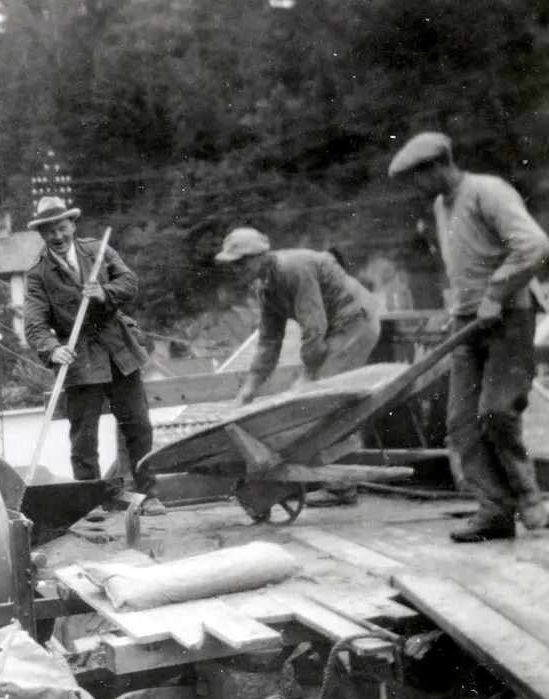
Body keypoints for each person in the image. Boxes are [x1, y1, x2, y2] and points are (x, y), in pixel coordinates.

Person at [389, 131, 549, 542]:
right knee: (461, 423)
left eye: (417, 178)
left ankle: (530, 500)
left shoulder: (486, 191)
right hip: (467, 323)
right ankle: (495, 510)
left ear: (438, 165)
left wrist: (497, 292)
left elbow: (532, 245)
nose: (414, 189)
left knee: (497, 411)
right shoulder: (442, 206)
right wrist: (457, 311)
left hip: (509, 317)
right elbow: (464, 265)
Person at [216, 228, 382, 506]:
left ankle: (341, 487)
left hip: (355, 322)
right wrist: (250, 388)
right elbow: (269, 341)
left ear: (260, 256)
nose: (237, 269)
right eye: (233, 264)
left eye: (241, 262)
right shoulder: (266, 285)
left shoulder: (293, 268)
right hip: (333, 330)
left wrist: (309, 373)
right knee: (307, 395)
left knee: (322, 397)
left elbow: (313, 326)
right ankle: (321, 476)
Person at [22, 196, 165, 515]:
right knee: (84, 437)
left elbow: (130, 282)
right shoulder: (38, 275)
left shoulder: (98, 251)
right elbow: (34, 323)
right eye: (49, 232)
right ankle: (90, 502)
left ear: (72, 225)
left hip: (119, 351)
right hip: (80, 357)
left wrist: (104, 293)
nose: (57, 237)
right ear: (42, 235)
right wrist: (52, 348)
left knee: (138, 426)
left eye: (61, 228)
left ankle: (149, 494)